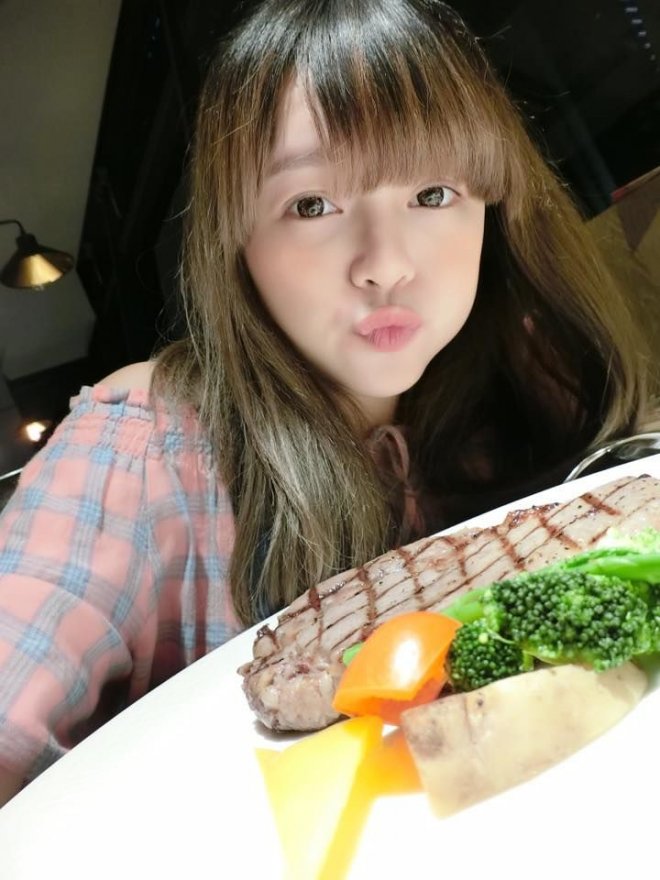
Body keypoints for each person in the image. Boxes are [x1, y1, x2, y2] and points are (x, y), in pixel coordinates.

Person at [0, 0, 658, 807]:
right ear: (236, 243)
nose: (385, 264)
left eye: (433, 192)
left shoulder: (525, 371)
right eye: (312, 205)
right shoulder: (141, 444)